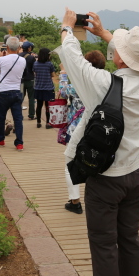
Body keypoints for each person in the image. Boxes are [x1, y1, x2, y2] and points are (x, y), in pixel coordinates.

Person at [59, 9, 139, 276]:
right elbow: (129, 59)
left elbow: (74, 61)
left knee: (104, 243)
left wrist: (67, 28)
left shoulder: (104, 84)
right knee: (129, 238)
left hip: (106, 178)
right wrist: (105, 34)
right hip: (134, 175)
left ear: (121, 58)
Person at [58, 50, 106, 215]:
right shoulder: (107, 84)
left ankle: (75, 201)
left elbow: (63, 92)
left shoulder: (80, 85)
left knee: (71, 163)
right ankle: (99, 200)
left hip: (77, 130)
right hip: (99, 130)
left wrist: (63, 73)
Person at [0, 36, 27, 151]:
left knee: (1, 117)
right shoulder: (23, 60)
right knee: (18, 118)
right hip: (16, 92)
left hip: (3, 92)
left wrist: (1, 57)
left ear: (7, 47)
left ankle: (0, 139)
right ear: (19, 48)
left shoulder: (2, 60)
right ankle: (19, 143)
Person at [32, 47, 55, 129]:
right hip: (48, 88)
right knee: (47, 106)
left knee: (39, 105)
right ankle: (48, 123)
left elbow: (34, 72)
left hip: (38, 87)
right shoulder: (49, 64)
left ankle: (38, 122)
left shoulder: (35, 64)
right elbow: (53, 75)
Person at [19, 41, 36, 118]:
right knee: (31, 98)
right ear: (29, 48)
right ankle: (31, 114)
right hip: (30, 80)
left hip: (21, 80)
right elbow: (34, 69)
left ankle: (19, 115)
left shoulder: (18, 56)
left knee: (20, 98)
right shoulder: (31, 57)